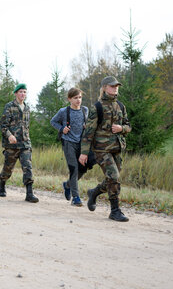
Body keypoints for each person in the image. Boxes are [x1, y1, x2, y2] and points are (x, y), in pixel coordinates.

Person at [79, 76, 131, 222]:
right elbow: (88, 131)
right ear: (104, 88)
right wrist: (84, 153)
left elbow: (128, 126)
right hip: (102, 150)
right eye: (112, 86)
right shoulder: (97, 107)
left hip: (117, 148)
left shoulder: (121, 106)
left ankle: (94, 192)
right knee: (113, 177)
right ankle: (115, 210)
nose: (115, 89)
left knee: (112, 178)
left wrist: (122, 128)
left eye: (116, 87)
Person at [0, 83, 39, 203]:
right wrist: (10, 135)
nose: (23, 94)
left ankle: (29, 193)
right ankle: (2, 183)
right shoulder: (9, 107)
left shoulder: (27, 108)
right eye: (20, 92)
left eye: (25, 92)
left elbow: (26, 126)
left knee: (28, 167)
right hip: (12, 144)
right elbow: (3, 126)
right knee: (8, 168)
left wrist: (27, 138)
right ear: (16, 93)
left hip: (25, 143)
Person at [50, 88, 89, 206]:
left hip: (81, 144)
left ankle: (67, 185)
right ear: (69, 99)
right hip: (68, 143)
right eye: (75, 98)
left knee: (82, 169)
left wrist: (86, 126)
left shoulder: (85, 110)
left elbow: (88, 123)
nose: (78, 100)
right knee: (74, 169)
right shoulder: (63, 111)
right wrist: (62, 129)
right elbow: (53, 121)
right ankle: (76, 197)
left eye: (80, 98)